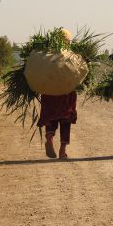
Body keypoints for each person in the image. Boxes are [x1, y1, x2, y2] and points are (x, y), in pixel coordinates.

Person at [36, 29, 76, 159]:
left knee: (50, 117)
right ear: (68, 41)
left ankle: (50, 139)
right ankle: (62, 151)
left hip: (49, 93)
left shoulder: (46, 55)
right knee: (65, 120)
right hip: (66, 93)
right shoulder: (70, 55)